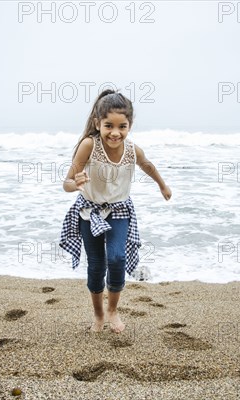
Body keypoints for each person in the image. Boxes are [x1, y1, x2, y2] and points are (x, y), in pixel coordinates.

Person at [59, 89, 171, 334]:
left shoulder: (132, 150)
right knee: (97, 265)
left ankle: (113, 310)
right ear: (98, 123)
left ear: (129, 125)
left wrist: (162, 185)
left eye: (123, 126)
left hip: (120, 210)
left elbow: (148, 166)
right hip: (89, 212)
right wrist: (75, 183)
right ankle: (99, 314)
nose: (115, 133)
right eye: (109, 125)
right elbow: (66, 183)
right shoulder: (88, 145)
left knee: (117, 258)